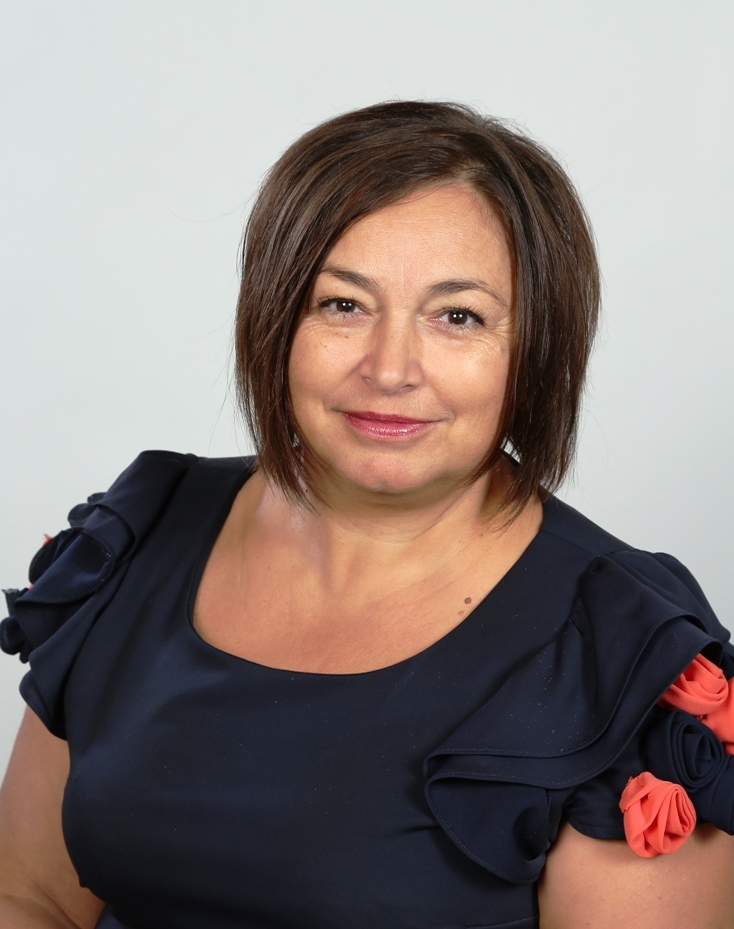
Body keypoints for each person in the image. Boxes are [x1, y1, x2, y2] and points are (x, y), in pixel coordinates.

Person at [1, 100, 733, 929]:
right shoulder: (146, 534)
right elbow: (31, 895)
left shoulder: (623, 652)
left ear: (536, 350)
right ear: (275, 319)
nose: (390, 369)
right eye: (343, 305)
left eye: (458, 317)